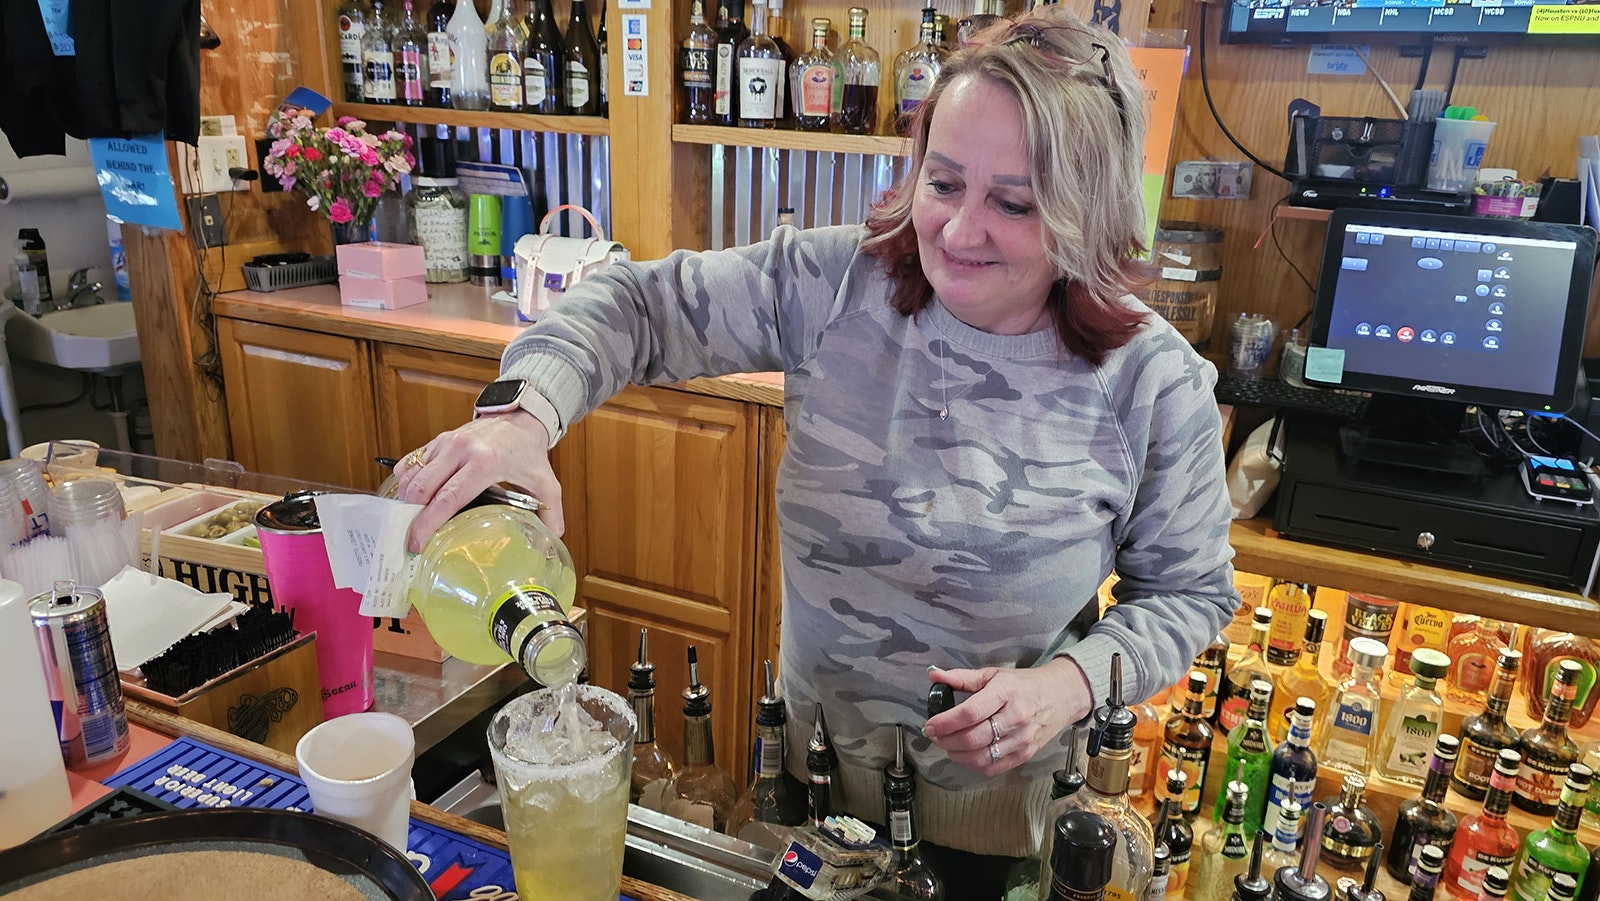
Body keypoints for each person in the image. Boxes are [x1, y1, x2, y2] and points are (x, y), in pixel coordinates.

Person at [394, 8, 1239, 897]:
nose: (957, 231)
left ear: (1087, 210)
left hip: (1000, 838)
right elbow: (637, 307)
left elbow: (1190, 593)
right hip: (806, 789)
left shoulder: (1150, 382)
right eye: (942, 182)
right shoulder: (839, 282)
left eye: (1015, 203)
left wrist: (1071, 683)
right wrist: (519, 418)